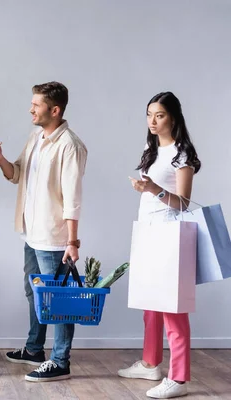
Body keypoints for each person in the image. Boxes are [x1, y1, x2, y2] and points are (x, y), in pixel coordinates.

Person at [0, 82, 87, 382]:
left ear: (54, 110)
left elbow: (73, 198)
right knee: (34, 293)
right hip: (31, 233)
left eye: (37, 104)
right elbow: (16, 173)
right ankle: (34, 348)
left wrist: (72, 242)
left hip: (54, 237)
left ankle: (60, 361)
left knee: (58, 300)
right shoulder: (36, 137)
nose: (31, 108)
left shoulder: (70, 145)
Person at [119, 91, 201, 399]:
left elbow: (183, 202)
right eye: (149, 115)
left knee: (172, 309)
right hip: (147, 232)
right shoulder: (150, 149)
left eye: (160, 115)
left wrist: (153, 189)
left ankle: (178, 378)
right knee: (149, 305)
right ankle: (150, 363)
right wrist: (145, 188)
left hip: (170, 235)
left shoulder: (183, 154)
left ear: (174, 117)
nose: (153, 121)